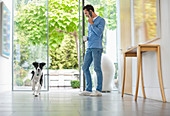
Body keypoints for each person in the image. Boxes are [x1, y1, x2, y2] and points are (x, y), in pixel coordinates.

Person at [79, 4, 105, 96]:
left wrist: (92, 24)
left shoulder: (101, 20)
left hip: (97, 47)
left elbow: (99, 33)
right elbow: (93, 34)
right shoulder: (90, 21)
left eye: (86, 13)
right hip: (89, 47)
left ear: (90, 11)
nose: (85, 15)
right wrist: (87, 38)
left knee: (97, 68)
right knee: (85, 67)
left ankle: (98, 90)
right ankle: (89, 89)